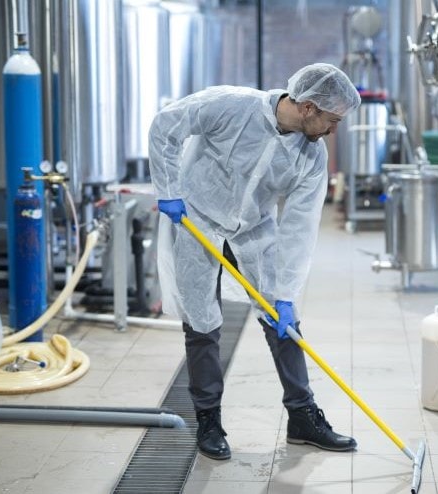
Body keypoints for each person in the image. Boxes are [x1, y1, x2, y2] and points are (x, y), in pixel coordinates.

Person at [149, 63, 361, 460]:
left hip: (253, 229)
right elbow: (167, 125)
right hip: (198, 217)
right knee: (201, 323)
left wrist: (286, 293)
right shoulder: (231, 105)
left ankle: (302, 417)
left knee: (284, 322)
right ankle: (208, 419)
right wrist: (168, 189)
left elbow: (300, 228)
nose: (334, 130)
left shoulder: (312, 157)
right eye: (332, 121)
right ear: (309, 107)